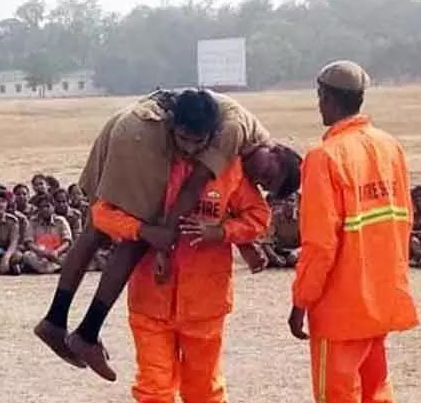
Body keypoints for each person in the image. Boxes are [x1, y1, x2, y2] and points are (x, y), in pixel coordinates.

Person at [34, 88, 296, 381]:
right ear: (277, 150)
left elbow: (229, 197)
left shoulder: (243, 130)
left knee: (96, 228)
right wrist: (164, 236)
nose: (258, 180)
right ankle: (87, 331)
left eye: (264, 185)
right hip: (143, 134)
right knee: (138, 235)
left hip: (130, 120)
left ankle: (56, 319)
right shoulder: (233, 131)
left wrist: (242, 242)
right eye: (268, 175)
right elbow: (195, 184)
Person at [94, 152, 270, 403]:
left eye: (198, 139)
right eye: (183, 138)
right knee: (152, 388)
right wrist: (144, 231)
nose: (190, 145)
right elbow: (102, 213)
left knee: (204, 388)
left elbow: (258, 217)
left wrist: (221, 232)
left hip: (205, 303)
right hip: (150, 300)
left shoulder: (228, 170)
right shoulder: (146, 165)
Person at [288, 61, 416, 403]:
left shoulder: (324, 157)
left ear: (329, 98)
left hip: (341, 304)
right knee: (376, 388)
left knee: (337, 396)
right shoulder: (389, 147)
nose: (317, 103)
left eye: (319, 95)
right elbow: (404, 220)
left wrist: (301, 300)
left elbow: (320, 243)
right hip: (382, 294)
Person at [22, 193, 74, 275]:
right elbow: (29, 243)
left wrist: (56, 252)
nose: (45, 209)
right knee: (27, 255)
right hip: (40, 255)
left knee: (72, 256)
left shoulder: (61, 221)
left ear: (53, 207)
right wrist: (42, 253)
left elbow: (67, 242)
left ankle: (49, 267)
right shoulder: (32, 222)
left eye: (47, 206)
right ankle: (55, 268)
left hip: (58, 254)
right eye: (41, 207)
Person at [261, 192, 301, 269]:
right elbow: (266, 241)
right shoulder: (274, 217)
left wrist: (297, 253)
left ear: (296, 203)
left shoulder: (303, 217)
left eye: (291, 200)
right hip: (280, 251)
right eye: (285, 200)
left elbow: (309, 243)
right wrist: (275, 257)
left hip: (297, 251)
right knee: (261, 255)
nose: (288, 203)